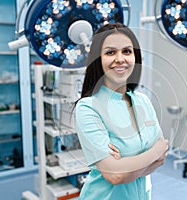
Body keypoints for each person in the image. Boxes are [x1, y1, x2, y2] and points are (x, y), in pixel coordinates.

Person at [74, 23, 168, 200]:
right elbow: (115, 176)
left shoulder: (143, 101)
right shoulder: (88, 107)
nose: (120, 59)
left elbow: (161, 160)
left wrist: (125, 166)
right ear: (97, 59)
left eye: (127, 51)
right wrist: (155, 151)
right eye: (110, 52)